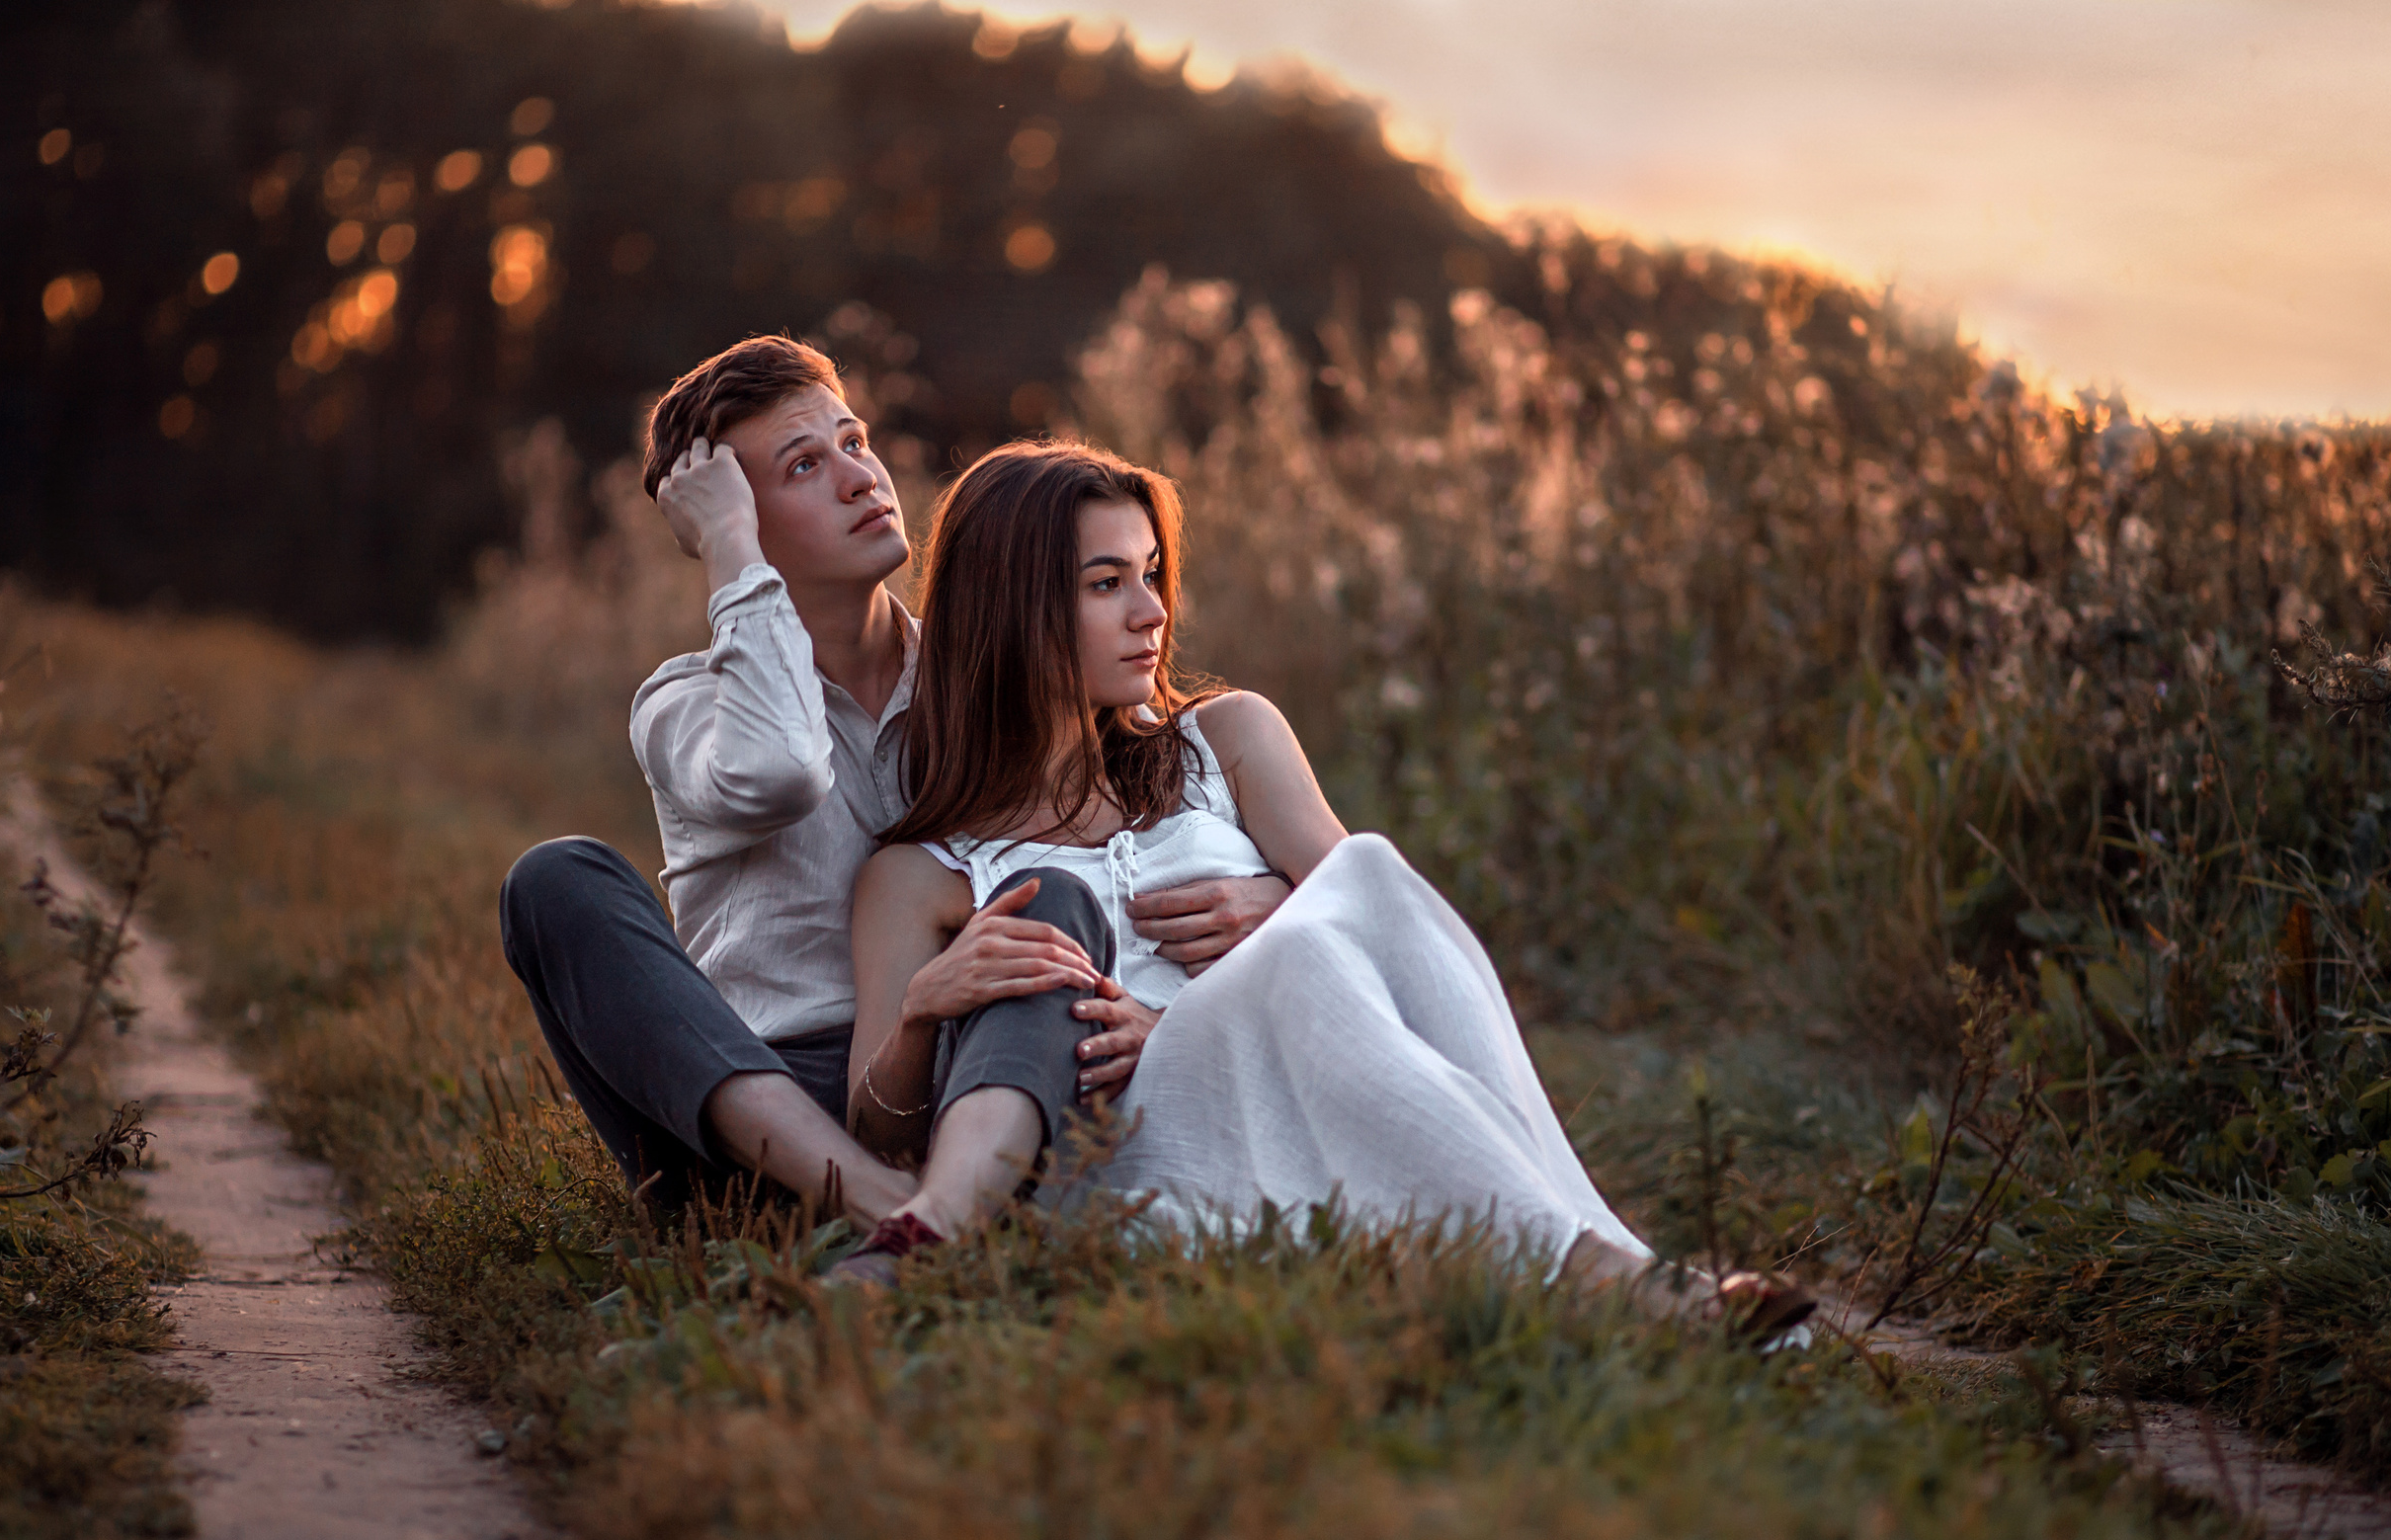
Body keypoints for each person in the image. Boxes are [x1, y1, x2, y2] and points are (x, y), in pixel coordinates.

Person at [831, 439, 1814, 1338]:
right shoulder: (920, 874)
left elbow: (1373, 930)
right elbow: (878, 1129)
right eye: (1106, 584)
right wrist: (926, 1009)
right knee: (1312, 937)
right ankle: (1612, 1282)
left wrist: (1277, 909)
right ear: (1012, 606)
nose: (1152, 613)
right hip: (1127, 1155)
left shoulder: (1229, 740)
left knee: (1364, 878)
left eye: (1153, 576)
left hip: (1318, 1089)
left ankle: (1591, 1262)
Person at [498, 337, 1289, 1229]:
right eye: (804, 465)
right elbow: (783, 772)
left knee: (1044, 907)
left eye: (854, 440)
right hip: (751, 1116)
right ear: (739, 525)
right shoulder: (687, 704)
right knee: (556, 879)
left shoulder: (979, 678)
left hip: (959, 1074)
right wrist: (728, 547)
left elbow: (1139, 811)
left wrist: (1274, 893)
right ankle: (888, 1208)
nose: (858, 477)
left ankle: (936, 1206)